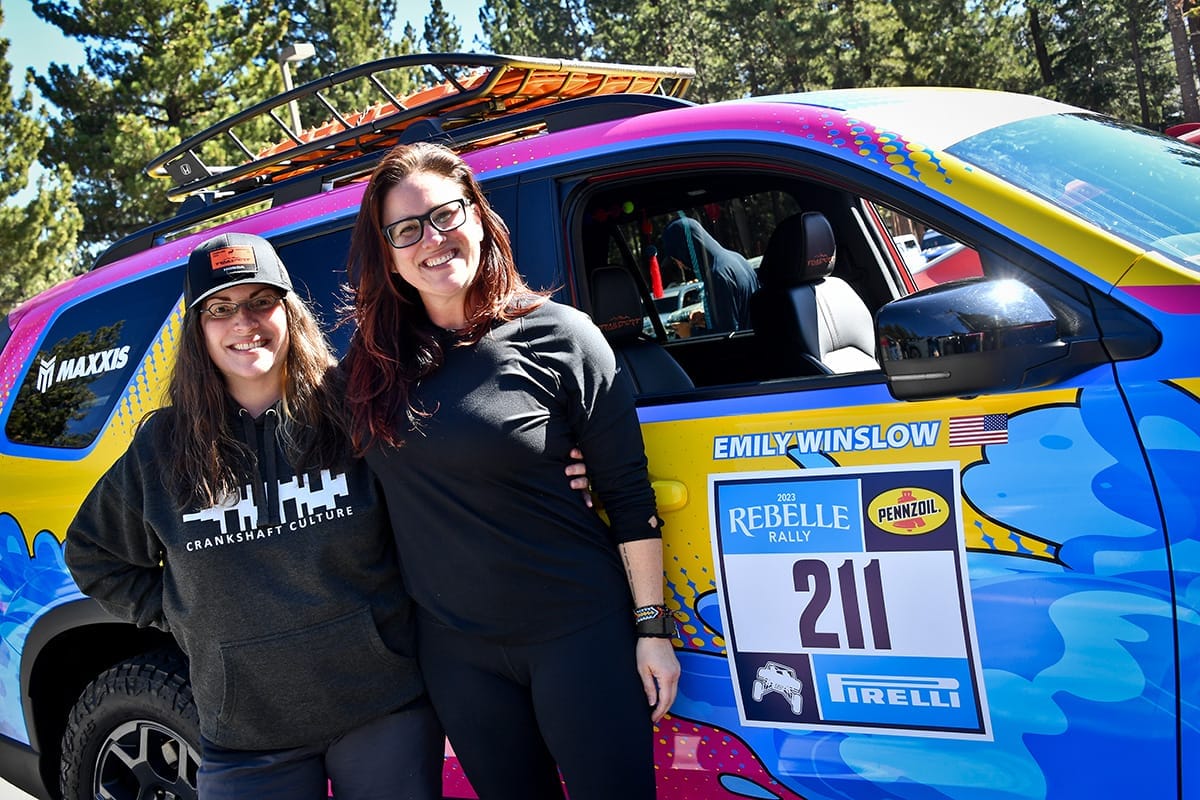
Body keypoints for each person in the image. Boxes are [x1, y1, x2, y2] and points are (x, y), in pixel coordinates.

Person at [341, 141, 681, 800]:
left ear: (477, 215)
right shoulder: (367, 370)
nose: (432, 239)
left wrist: (651, 632)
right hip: (458, 658)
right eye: (406, 229)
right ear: (387, 252)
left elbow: (629, 498)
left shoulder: (564, 337)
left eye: (446, 214)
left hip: (578, 635)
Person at [62, 232, 446, 800]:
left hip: (381, 706)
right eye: (219, 309)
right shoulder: (162, 446)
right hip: (244, 733)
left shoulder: (357, 409)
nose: (243, 322)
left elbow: (445, 495)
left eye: (260, 301)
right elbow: (93, 554)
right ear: (198, 332)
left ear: (289, 312)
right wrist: (187, 616)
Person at [660, 215, 759, 333]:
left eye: (676, 259)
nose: (680, 265)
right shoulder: (736, 258)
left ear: (684, 250)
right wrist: (709, 317)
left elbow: (726, 335)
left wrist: (690, 333)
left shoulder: (717, 274)